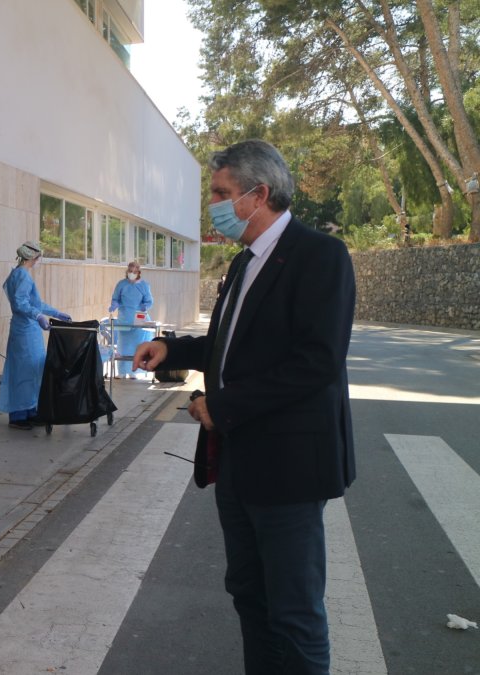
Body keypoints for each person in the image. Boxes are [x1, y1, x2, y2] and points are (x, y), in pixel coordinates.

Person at [133, 139, 355, 674]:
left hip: (290, 469)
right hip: (237, 463)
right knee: (250, 597)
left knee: (295, 612)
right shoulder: (242, 263)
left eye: (220, 193)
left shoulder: (319, 255)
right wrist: (173, 347)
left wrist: (223, 407)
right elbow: (229, 343)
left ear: (259, 194)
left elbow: (317, 362)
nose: (211, 205)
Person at [0, 241, 71, 430]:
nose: (40, 261)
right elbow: (20, 303)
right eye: (39, 258)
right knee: (25, 372)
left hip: (27, 330)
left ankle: (30, 411)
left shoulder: (18, 274)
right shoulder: (22, 275)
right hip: (25, 332)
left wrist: (55, 313)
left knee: (31, 371)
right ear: (33, 258)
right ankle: (19, 416)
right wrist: (37, 316)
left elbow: (36, 303)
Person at [108, 260, 154, 378]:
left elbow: (149, 300)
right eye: (130, 271)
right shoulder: (121, 284)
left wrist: (145, 306)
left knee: (137, 346)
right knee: (124, 346)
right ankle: (122, 372)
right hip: (125, 317)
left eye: (134, 271)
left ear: (139, 272)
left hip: (139, 317)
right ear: (127, 271)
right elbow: (116, 298)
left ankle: (134, 371)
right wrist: (114, 305)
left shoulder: (144, 285)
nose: (132, 273)